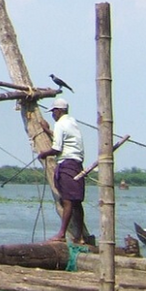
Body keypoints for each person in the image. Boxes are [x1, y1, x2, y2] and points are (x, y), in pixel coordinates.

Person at [41, 98, 93, 246]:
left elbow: (57, 148)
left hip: (67, 164)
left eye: (53, 112)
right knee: (76, 202)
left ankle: (62, 234)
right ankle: (80, 236)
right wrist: (47, 130)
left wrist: (44, 154)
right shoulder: (71, 122)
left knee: (68, 200)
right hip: (76, 164)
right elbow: (64, 141)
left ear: (59, 111)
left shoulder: (60, 124)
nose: (53, 115)